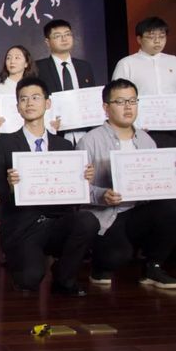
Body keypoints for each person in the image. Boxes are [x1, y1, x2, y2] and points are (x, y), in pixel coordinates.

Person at [0, 77, 99, 296]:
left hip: (57, 222)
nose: (29, 103)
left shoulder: (64, 145)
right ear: (17, 107)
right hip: (23, 226)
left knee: (88, 221)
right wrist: (11, 188)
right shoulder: (4, 143)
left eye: (35, 97)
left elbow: (73, 198)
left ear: (47, 103)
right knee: (29, 280)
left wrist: (83, 180)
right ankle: (23, 265)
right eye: (23, 99)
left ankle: (64, 277)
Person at [77, 79, 176, 288]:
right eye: (120, 102)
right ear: (106, 108)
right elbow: (78, 189)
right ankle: (100, 265)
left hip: (138, 212)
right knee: (116, 257)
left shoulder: (147, 140)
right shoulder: (90, 140)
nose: (128, 107)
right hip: (108, 216)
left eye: (132, 101)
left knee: (170, 205)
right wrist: (102, 194)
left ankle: (153, 267)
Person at [112, 16, 176, 148]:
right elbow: (117, 97)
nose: (157, 41)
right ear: (139, 39)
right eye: (151, 37)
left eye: (162, 36)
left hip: (172, 126)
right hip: (142, 128)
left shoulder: (173, 61)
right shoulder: (127, 63)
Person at [35, 19, 96, 145]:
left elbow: (92, 99)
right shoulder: (38, 68)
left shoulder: (84, 66)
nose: (64, 39)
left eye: (67, 34)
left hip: (85, 133)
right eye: (58, 36)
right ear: (47, 42)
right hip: (54, 133)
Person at [0, 45, 37, 130]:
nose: (12, 61)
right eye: (8, 58)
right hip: (6, 135)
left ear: (26, 63)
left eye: (17, 58)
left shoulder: (35, 89)